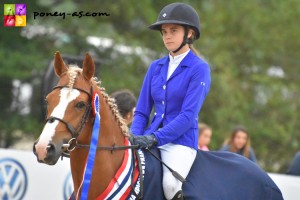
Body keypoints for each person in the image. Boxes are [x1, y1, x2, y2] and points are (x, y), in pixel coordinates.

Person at [130, 3, 211, 200]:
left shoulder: (199, 69)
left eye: (173, 31)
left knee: (170, 184)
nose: (167, 36)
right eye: (164, 31)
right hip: (149, 137)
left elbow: (187, 116)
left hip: (180, 143)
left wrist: (155, 138)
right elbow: (142, 111)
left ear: (189, 34)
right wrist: (133, 137)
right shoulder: (155, 67)